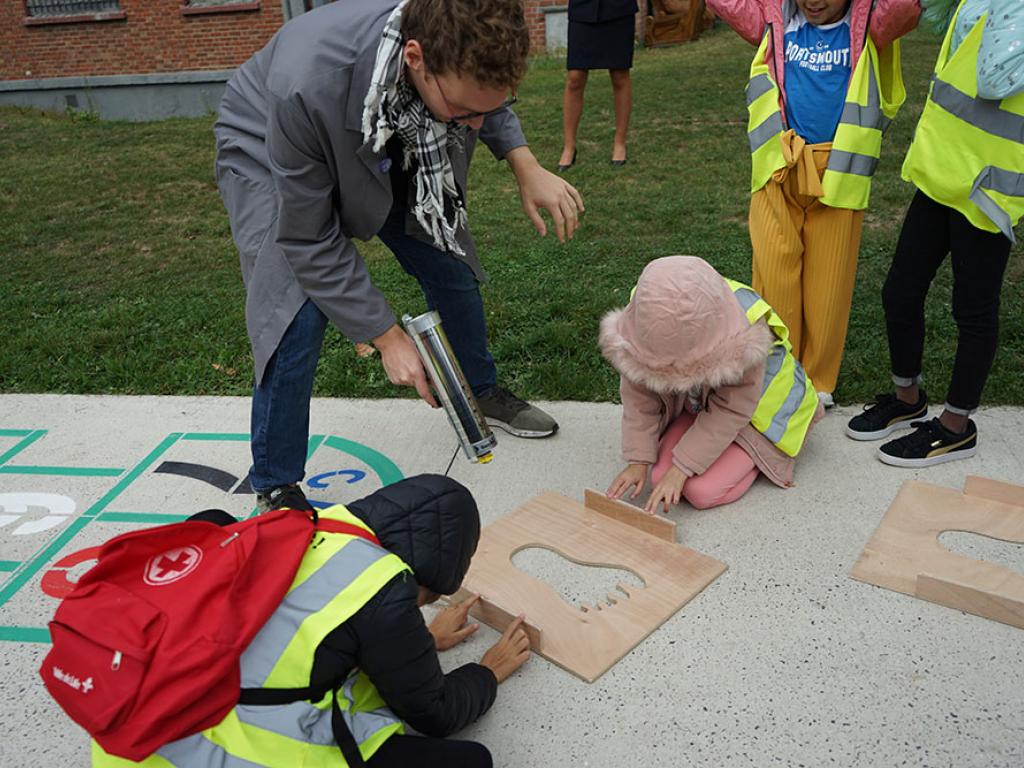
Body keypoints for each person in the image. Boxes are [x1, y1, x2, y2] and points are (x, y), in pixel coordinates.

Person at [214, 0, 585, 511]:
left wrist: (526, 164)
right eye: (464, 112)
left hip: (389, 130)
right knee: (292, 309)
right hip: (272, 138)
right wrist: (387, 336)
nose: (474, 124)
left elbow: (483, 97)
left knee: (447, 256)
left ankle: (477, 390)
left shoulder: (453, 37)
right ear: (415, 59)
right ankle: (276, 484)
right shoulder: (305, 83)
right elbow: (310, 239)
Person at [92, 476, 531, 767]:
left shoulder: (298, 526)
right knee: (472, 761)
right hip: (200, 754)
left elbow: (305, 625)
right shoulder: (383, 591)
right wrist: (486, 672)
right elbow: (437, 714)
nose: (419, 608)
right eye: (426, 599)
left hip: (130, 731)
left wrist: (419, 643)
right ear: (421, 578)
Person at [706, 0, 920, 406]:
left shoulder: (868, 24)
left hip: (839, 173)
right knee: (774, 277)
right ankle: (777, 374)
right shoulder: (774, 19)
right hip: (778, 167)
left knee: (828, 285)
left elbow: (905, 9)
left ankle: (818, 382)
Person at [845, 0, 1024, 467]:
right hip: (941, 173)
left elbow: (993, 79)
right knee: (900, 292)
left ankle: (955, 427)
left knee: (973, 311)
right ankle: (908, 399)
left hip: (987, 190)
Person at [601, 256, 823, 514]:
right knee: (659, 476)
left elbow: (731, 410)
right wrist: (638, 460)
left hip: (758, 417)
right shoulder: (648, 316)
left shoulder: (744, 333)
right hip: (706, 403)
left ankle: (757, 458)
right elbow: (640, 398)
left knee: (701, 492)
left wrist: (682, 469)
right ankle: (703, 443)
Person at [557, 0, 638, 169]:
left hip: (619, 10)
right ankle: (569, 147)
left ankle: (619, 143)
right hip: (582, 8)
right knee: (575, 78)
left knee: (619, 74)